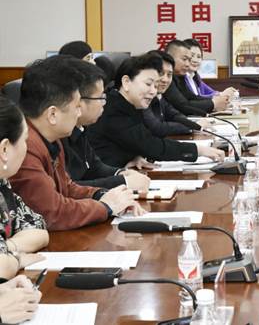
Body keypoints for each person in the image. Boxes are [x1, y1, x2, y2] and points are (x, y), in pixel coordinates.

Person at [10, 56, 142, 231]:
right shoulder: (24, 147)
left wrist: (102, 195)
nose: (79, 113)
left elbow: (67, 187)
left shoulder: (51, 139)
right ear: (52, 114)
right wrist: (106, 207)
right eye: (76, 107)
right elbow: (52, 213)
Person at [86, 53, 225, 168]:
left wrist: (134, 156)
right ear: (126, 82)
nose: (153, 91)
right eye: (148, 84)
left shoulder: (129, 104)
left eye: (155, 85)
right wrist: (199, 150)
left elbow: (134, 142)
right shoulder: (113, 109)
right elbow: (151, 145)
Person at [62, 61, 151, 191]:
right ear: (78, 102)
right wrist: (122, 181)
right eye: (100, 97)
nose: (104, 103)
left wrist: (120, 173)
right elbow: (68, 188)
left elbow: (94, 166)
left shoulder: (80, 127)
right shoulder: (59, 135)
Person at [0, 97, 49, 279]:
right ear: (4, 149)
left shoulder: (2, 183)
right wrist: (17, 259)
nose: (26, 148)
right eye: (25, 140)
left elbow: (38, 228)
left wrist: (7, 248)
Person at [143, 51, 208, 137]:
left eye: (169, 75)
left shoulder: (159, 95)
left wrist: (194, 125)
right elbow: (157, 128)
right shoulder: (142, 97)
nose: (165, 80)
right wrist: (192, 127)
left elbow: (174, 115)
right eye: (161, 73)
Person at [163, 40, 228, 116]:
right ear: (170, 57)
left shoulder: (181, 77)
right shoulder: (164, 79)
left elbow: (192, 97)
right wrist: (213, 103)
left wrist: (217, 100)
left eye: (189, 60)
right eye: (184, 59)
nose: (188, 64)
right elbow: (183, 106)